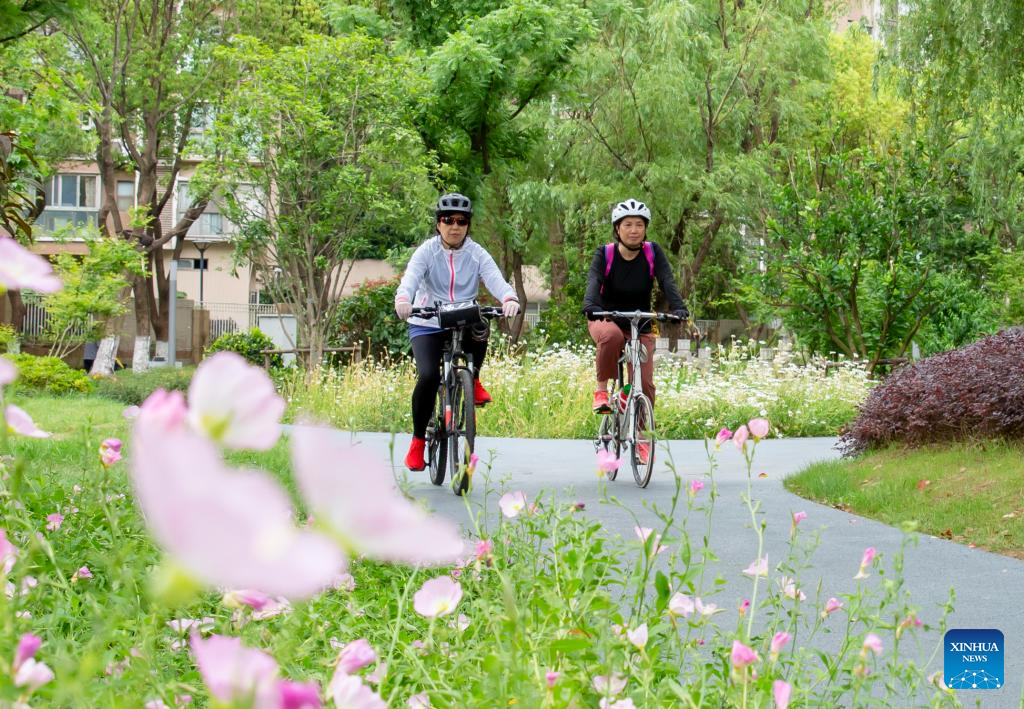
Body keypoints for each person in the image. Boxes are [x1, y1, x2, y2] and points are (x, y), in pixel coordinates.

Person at [395, 192, 520, 471]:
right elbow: (411, 278)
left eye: (461, 221)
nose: (454, 226)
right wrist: (403, 300)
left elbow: (496, 280)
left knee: (481, 323)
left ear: (467, 225)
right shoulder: (427, 251)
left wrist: (509, 299)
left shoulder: (476, 253)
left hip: (462, 317)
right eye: (447, 220)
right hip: (427, 321)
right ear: (438, 223)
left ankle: (472, 379)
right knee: (428, 376)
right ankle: (417, 442)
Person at [582, 198, 689, 461]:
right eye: (627, 224)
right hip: (605, 317)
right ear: (617, 229)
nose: (633, 230)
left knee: (646, 382)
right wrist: (591, 305)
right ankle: (602, 391)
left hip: (640, 320)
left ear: (645, 228)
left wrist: (678, 308)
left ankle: (642, 436)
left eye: (639, 225)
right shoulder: (605, 253)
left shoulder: (653, 253)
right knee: (611, 336)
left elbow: (667, 281)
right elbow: (594, 280)